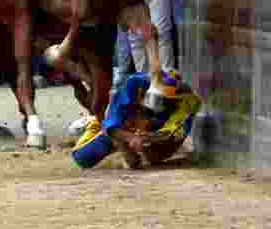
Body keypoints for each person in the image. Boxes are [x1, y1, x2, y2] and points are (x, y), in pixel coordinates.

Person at [71, 69, 201, 169]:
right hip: (130, 123)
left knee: (154, 158)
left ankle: (140, 144)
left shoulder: (189, 101)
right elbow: (113, 121)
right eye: (155, 97)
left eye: (164, 100)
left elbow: (170, 133)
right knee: (82, 158)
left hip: (158, 129)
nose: (157, 103)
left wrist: (144, 139)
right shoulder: (135, 83)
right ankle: (93, 123)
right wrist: (127, 140)